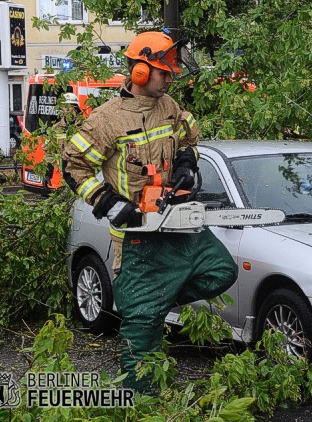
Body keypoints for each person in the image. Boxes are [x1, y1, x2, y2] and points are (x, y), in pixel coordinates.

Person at [62, 31, 238, 393]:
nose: (170, 79)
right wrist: (108, 203)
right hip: (136, 235)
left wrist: (188, 160)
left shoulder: (169, 106)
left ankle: (151, 302)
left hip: (175, 223)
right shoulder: (105, 120)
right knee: (141, 332)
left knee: (222, 270)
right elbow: (73, 167)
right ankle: (141, 403)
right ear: (140, 72)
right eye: (164, 72)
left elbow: (190, 135)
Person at [42, 92, 82, 190]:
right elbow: (50, 153)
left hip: (82, 175)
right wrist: (48, 175)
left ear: (75, 108)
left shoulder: (83, 126)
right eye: (65, 106)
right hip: (65, 178)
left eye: (70, 106)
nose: (67, 109)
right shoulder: (56, 128)